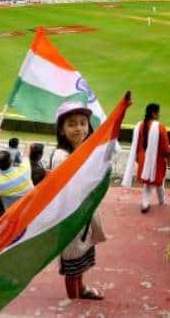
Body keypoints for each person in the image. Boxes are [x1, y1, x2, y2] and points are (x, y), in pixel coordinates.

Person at [50, 101, 105, 300]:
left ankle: (81, 290)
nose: (79, 128)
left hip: (84, 217)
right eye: (72, 124)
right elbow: (67, 193)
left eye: (83, 123)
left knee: (82, 259)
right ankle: (74, 302)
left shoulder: (83, 151)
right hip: (71, 221)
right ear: (62, 130)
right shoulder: (61, 157)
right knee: (73, 263)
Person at [126, 103, 170, 213]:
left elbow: (136, 144)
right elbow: (165, 147)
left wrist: (137, 157)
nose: (159, 114)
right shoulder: (160, 127)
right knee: (158, 181)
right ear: (154, 113)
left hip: (143, 159)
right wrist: (169, 159)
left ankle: (148, 203)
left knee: (149, 182)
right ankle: (158, 201)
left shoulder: (140, 125)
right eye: (158, 112)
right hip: (157, 160)